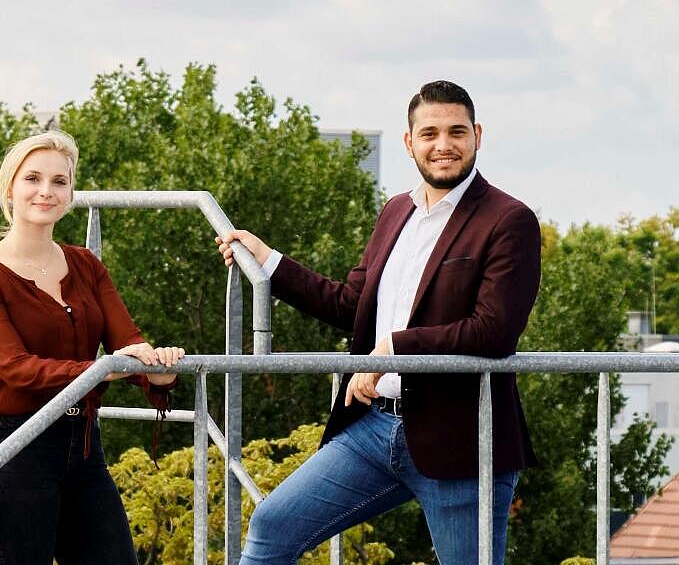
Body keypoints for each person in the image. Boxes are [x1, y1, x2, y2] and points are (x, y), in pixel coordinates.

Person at [217, 81, 541, 564]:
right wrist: (270, 264)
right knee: (272, 526)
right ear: (410, 142)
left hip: (461, 443)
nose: (443, 145)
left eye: (456, 132)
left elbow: (493, 331)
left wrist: (392, 349)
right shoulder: (396, 211)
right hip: (372, 430)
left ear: (477, 135)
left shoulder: (509, 219)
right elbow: (352, 305)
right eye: (429, 133)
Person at [0, 129, 184, 565]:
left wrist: (156, 369)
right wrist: (103, 370)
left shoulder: (85, 264)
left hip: (81, 445)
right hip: (10, 446)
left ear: (70, 193)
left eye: (59, 182)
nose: (46, 191)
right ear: (10, 188)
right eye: (33, 179)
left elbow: (128, 342)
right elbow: (15, 368)